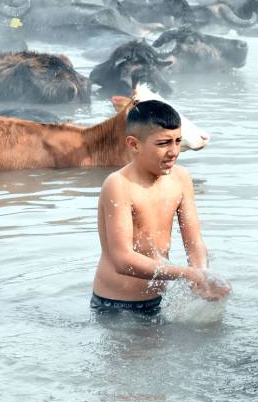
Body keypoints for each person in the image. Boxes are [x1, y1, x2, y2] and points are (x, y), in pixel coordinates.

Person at [91, 98, 230, 316]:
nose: (174, 151)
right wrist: (186, 274)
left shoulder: (181, 178)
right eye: (163, 143)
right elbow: (122, 260)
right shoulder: (118, 185)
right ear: (134, 144)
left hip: (159, 300)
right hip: (118, 306)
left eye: (177, 141)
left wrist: (203, 276)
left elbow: (194, 241)